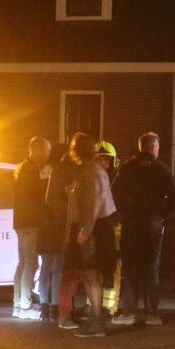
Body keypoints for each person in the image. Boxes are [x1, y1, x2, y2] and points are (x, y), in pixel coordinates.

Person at [111, 132, 175, 326]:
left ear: (141, 146)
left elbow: (113, 194)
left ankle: (129, 313)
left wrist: (124, 213)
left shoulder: (127, 168)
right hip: (152, 224)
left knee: (130, 268)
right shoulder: (161, 169)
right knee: (151, 269)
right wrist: (160, 215)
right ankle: (152, 314)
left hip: (131, 224)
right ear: (154, 147)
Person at [58, 133, 117, 337]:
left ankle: (97, 322)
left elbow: (92, 203)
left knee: (91, 276)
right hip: (97, 227)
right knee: (90, 276)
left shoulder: (89, 171)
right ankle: (96, 320)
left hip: (92, 229)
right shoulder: (95, 170)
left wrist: (84, 231)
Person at [11, 136, 51, 320]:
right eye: (47, 150)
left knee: (23, 263)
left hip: (21, 222)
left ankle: (18, 304)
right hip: (31, 222)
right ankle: (26, 306)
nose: (48, 154)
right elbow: (38, 197)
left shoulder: (21, 168)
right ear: (38, 150)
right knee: (31, 263)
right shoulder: (31, 171)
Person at [39, 142, 70, 320]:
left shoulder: (43, 171)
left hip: (45, 224)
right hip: (58, 224)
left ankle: (44, 307)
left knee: (46, 266)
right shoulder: (63, 172)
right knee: (58, 266)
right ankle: (55, 307)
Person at [94, 140, 121, 316]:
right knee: (94, 267)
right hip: (96, 227)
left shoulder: (118, 179)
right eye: (100, 159)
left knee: (113, 268)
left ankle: (109, 306)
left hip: (114, 228)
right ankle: (93, 304)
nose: (104, 163)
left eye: (107, 160)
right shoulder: (91, 178)